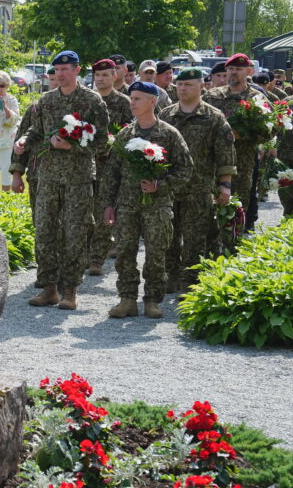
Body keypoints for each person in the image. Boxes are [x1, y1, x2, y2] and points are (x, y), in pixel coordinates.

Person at [9, 51, 109, 311]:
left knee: (74, 233)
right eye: (57, 69)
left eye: (66, 69)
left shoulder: (92, 101)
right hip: (48, 177)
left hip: (78, 178)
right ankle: (49, 288)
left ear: (77, 70)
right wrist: (23, 142)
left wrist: (71, 148)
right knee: (44, 231)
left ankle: (70, 290)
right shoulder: (46, 100)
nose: (61, 73)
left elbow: (101, 142)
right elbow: (36, 130)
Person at [101, 81, 192, 319]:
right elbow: (111, 173)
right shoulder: (125, 134)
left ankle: (152, 300)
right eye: (131, 98)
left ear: (153, 101)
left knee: (156, 253)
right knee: (125, 253)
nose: (132, 103)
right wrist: (108, 205)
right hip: (127, 206)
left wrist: (159, 185)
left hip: (158, 206)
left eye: (138, 99)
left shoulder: (169, 134)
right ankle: (127, 299)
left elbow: (185, 171)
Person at [159, 67, 236, 294]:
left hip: (199, 188)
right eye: (180, 85)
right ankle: (170, 276)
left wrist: (225, 185)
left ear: (201, 86)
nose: (182, 89)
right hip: (169, 187)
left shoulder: (213, 117)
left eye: (188, 85)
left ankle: (190, 281)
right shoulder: (167, 115)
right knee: (168, 235)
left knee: (195, 238)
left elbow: (225, 154)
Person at [203, 53, 273, 216]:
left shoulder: (257, 99)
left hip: (242, 163)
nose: (234, 72)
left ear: (249, 72)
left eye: (239, 69)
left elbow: (270, 130)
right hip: (211, 163)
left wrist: (243, 134)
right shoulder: (212, 96)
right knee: (208, 211)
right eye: (231, 68)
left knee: (236, 210)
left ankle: (235, 240)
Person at [87, 59, 133, 275]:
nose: (101, 79)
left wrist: (113, 144)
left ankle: (96, 259)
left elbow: (130, 131)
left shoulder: (124, 102)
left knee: (104, 211)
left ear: (114, 76)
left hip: (110, 167)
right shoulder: (87, 100)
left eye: (105, 75)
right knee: (84, 213)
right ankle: (85, 254)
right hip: (85, 164)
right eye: (97, 75)